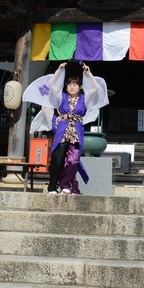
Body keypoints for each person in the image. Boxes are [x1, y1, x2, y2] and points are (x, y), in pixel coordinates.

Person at [47, 62, 100, 194]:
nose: (72, 87)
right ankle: (52, 187)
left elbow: (95, 88)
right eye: (69, 84)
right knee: (58, 159)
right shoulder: (62, 97)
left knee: (74, 159)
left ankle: (65, 184)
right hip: (62, 130)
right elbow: (52, 85)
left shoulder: (84, 99)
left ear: (79, 87)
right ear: (66, 86)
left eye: (75, 84)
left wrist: (88, 73)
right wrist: (59, 70)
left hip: (76, 131)